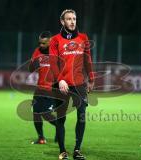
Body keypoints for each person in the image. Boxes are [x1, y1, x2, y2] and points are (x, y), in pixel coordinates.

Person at [49, 9, 94, 160]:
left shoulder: (83, 38)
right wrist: (60, 79)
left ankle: (77, 150)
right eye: (69, 19)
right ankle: (62, 151)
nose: (72, 21)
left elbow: (87, 60)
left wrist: (91, 79)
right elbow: (53, 63)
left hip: (79, 84)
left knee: (82, 115)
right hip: (60, 84)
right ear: (62, 22)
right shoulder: (55, 40)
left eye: (74, 18)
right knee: (61, 118)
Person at [29, 31, 58, 144]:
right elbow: (31, 69)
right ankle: (41, 138)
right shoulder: (37, 51)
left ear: (50, 42)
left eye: (43, 43)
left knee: (46, 115)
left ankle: (58, 127)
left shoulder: (57, 52)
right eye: (40, 42)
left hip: (52, 90)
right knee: (36, 114)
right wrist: (33, 64)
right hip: (39, 89)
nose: (41, 45)